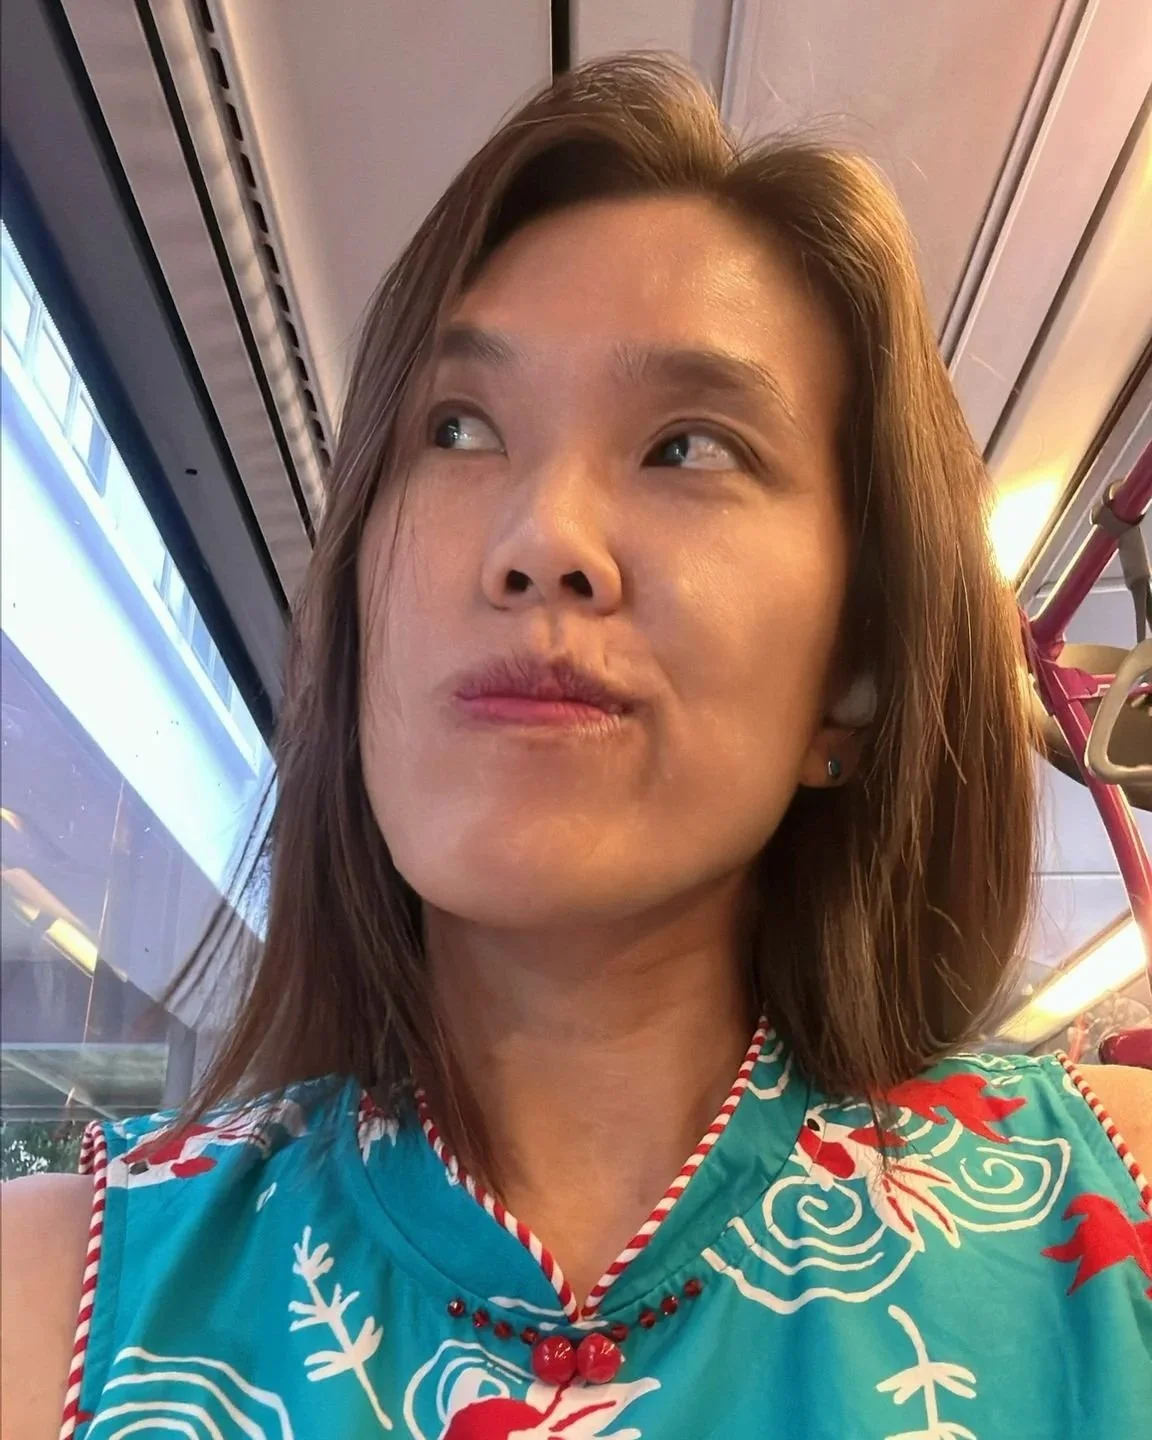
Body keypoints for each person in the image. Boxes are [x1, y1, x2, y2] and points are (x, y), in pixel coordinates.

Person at [3, 54, 1150, 1440]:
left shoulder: (1113, 1213)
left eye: (689, 448)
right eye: (458, 428)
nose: (541, 537)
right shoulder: (50, 1295)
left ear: (850, 678)